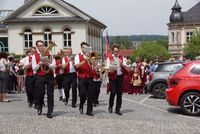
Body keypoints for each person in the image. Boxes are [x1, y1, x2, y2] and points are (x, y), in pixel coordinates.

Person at [32, 40, 56, 118]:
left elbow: (54, 66)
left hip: (49, 75)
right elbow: (34, 68)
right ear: (37, 47)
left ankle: (50, 111)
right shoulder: (34, 56)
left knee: (50, 94)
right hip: (40, 76)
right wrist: (39, 64)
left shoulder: (50, 54)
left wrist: (48, 64)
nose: (41, 47)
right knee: (40, 93)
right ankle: (39, 105)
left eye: (42, 45)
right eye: (39, 46)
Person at [74, 42, 94, 116]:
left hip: (90, 76)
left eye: (86, 47)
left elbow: (94, 64)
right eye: (83, 47)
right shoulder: (77, 56)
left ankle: (89, 111)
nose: (84, 49)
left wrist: (90, 58)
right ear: (81, 48)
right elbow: (77, 66)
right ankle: (81, 104)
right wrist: (85, 60)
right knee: (82, 94)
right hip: (82, 77)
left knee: (90, 95)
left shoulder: (92, 54)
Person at [106, 45, 127, 115]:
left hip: (120, 77)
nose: (116, 52)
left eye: (117, 51)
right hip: (112, 77)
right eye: (115, 51)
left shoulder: (121, 57)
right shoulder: (109, 58)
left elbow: (125, 66)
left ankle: (118, 109)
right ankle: (110, 105)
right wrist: (110, 70)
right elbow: (108, 68)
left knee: (119, 94)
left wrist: (121, 64)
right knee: (113, 92)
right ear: (112, 51)